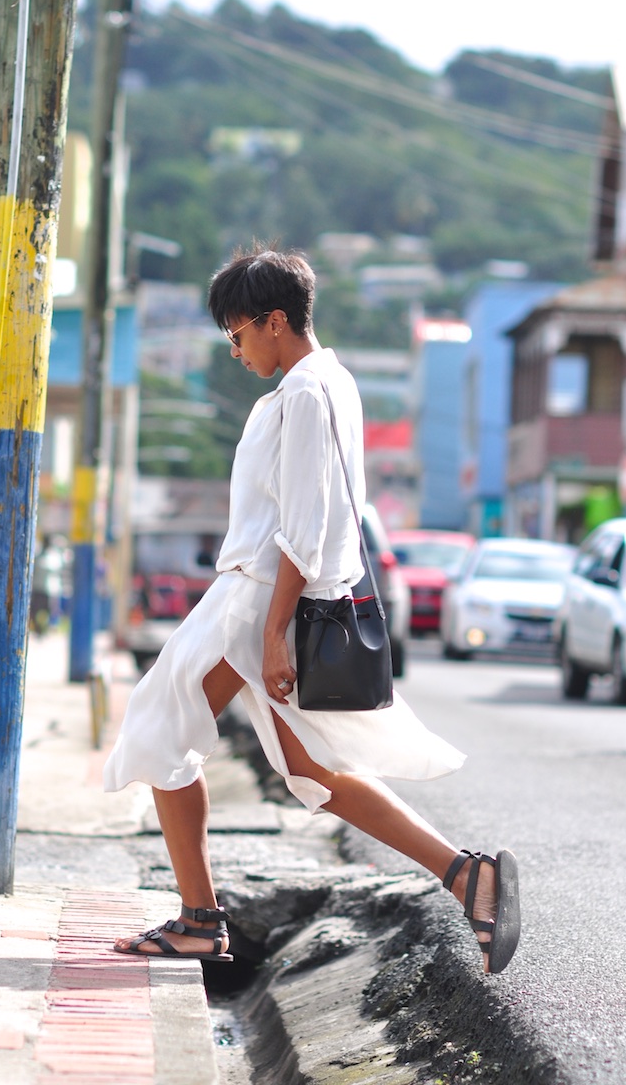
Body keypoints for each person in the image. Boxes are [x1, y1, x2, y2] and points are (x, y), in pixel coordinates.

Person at [104, 248, 520, 975]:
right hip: (258, 595)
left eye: (237, 335)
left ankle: (201, 920)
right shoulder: (326, 383)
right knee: (307, 769)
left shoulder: (304, 392)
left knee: (159, 726)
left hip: (254, 597)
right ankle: (464, 875)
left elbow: (306, 522)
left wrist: (272, 634)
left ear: (275, 321)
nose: (234, 351)